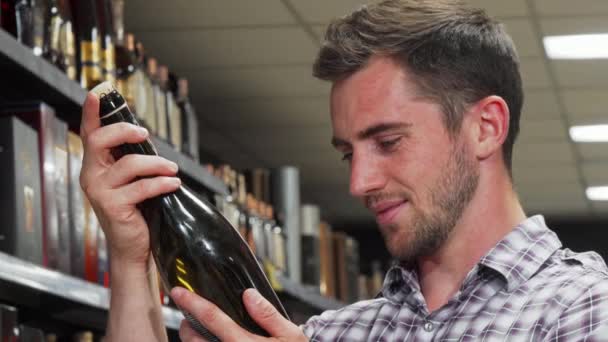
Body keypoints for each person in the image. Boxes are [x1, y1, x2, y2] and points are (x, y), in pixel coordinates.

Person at [79, 0, 608, 340]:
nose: (360, 183)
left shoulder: (581, 308)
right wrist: (131, 262)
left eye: (388, 141)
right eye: (349, 153)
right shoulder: (338, 333)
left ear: (485, 128)